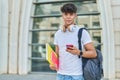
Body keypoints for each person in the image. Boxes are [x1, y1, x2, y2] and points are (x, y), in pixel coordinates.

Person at [49, 3, 97, 80]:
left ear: (75, 15)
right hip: (60, 75)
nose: (68, 17)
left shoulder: (82, 32)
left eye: (71, 14)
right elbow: (57, 54)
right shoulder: (58, 34)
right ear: (62, 15)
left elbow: (93, 53)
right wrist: (53, 64)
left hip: (76, 76)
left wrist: (78, 52)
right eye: (66, 14)